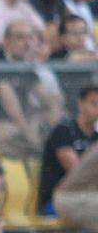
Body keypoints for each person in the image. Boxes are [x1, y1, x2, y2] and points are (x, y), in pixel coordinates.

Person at [41, 86, 98, 216]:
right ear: (80, 104)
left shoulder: (96, 137)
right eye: (94, 103)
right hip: (57, 200)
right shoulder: (63, 131)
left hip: (88, 197)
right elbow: (76, 171)